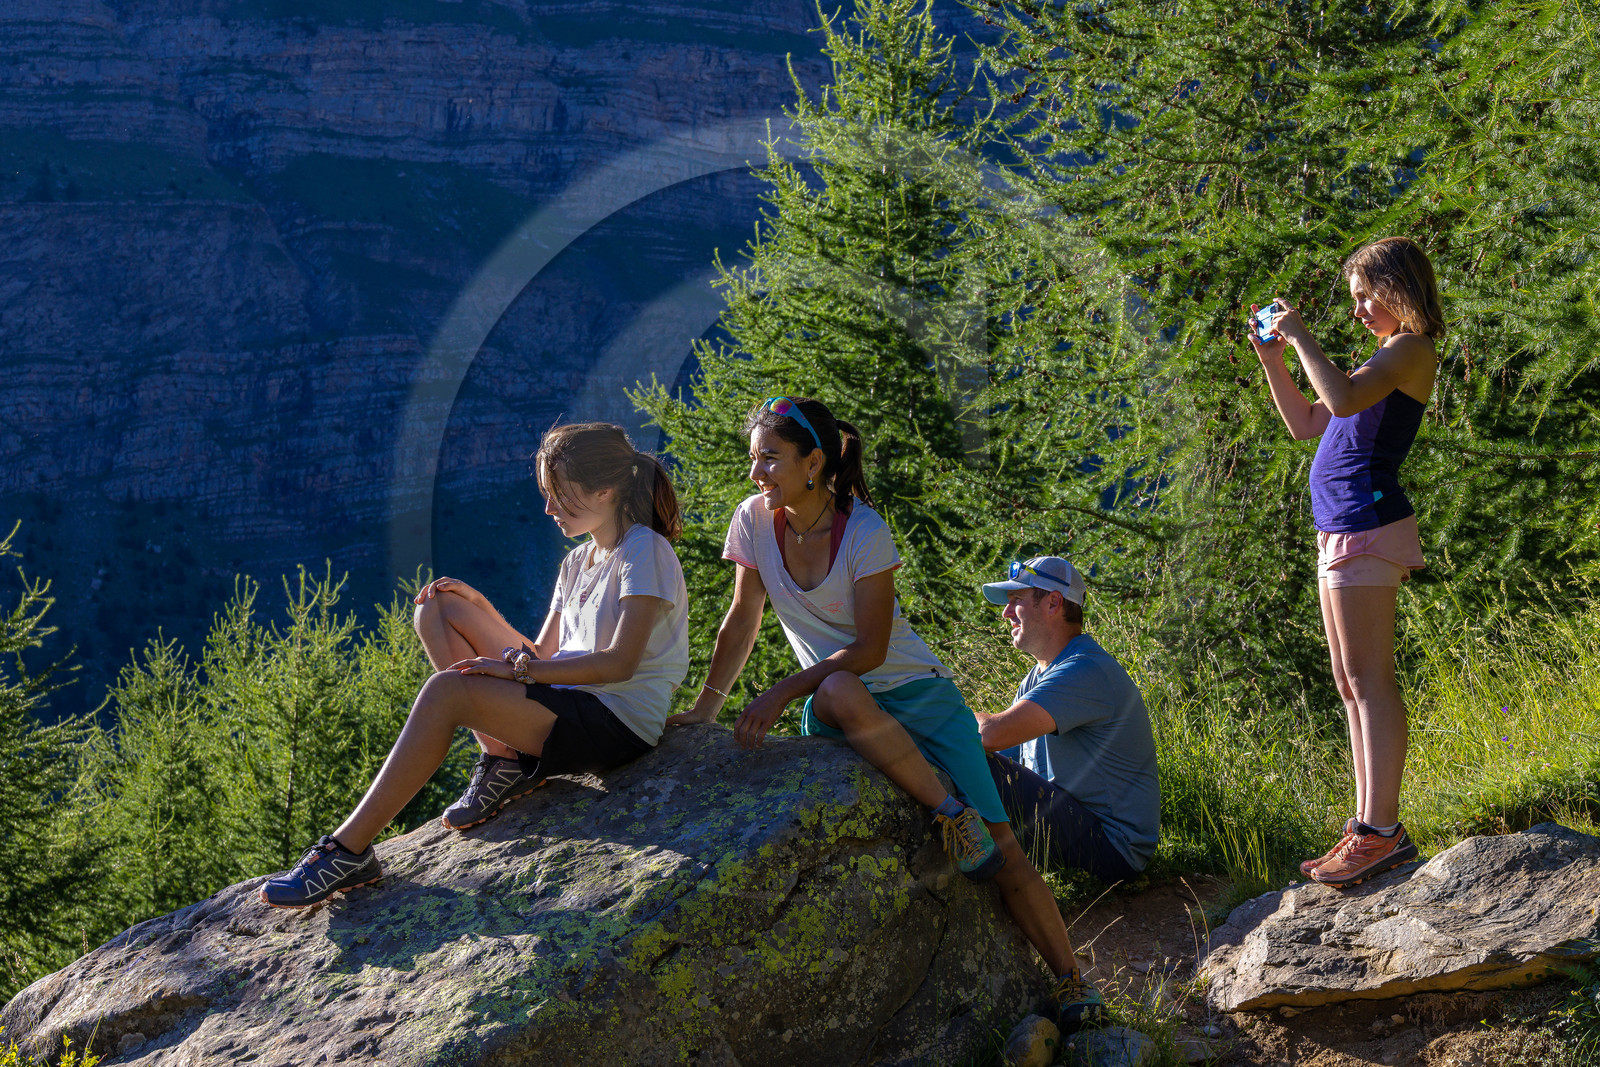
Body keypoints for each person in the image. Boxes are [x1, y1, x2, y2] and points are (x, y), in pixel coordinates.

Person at [667, 396, 1106, 1032]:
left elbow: (872, 648)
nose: (756, 473)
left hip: (918, 692)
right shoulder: (753, 521)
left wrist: (781, 689)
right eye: (753, 457)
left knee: (1006, 851)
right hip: (842, 696)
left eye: (771, 458)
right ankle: (947, 810)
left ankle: (1073, 983)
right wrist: (708, 708)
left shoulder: (865, 530)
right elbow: (743, 619)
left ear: (814, 461)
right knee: (840, 691)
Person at [260, 422, 690, 908]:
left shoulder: (644, 550)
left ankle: (348, 851)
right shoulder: (578, 562)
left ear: (606, 490)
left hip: (616, 720)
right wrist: (481, 609)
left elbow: (618, 663)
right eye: (546, 494)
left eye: (559, 495)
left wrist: (519, 673)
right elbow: (543, 655)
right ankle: (506, 763)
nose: (548, 508)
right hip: (571, 702)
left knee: (448, 692)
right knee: (437, 606)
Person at [1249, 236, 1445, 888]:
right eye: (1355, 299)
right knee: (1348, 679)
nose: (1358, 309)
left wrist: (1302, 335)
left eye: (1366, 296)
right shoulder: (1379, 357)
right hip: (1339, 528)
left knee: (1370, 678)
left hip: (1368, 524)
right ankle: (1367, 825)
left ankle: (1381, 829)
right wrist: (1274, 360)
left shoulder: (1409, 351)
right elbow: (1308, 420)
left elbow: (1336, 399)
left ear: (1399, 289)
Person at [972, 556, 1159, 886]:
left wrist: (937, 710)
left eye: (1016, 599)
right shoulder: (1038, 677)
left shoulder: (1085, 670)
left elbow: (990, 735)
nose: (1005, 613)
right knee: (967, 762)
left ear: (1053, 603)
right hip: (1078, 825)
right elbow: (1004, 760)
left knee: (973, 765)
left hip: (1113, 849)